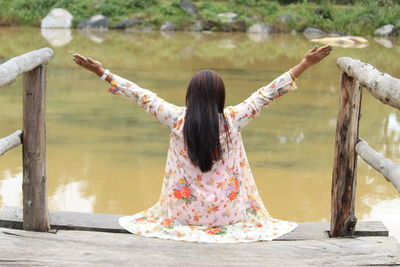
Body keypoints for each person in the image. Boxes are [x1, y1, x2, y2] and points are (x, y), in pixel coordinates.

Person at [73, 44, 332, 243]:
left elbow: (142, 96)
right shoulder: (234, 120)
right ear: (220, 96)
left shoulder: (176, 119)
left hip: (182, 215)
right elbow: (266, 94)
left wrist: (102, 72)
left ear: (190, 95)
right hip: (228, 216)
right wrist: (305, 63)